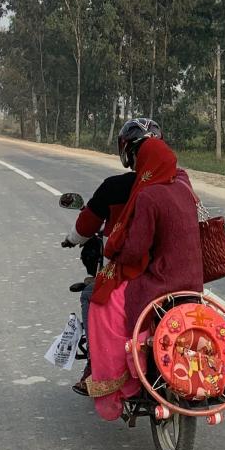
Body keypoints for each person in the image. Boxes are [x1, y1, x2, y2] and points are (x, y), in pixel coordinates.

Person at [85, 130, 204, 422]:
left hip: (160, 281)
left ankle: (119, 380)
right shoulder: (185, 188)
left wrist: (117, 250)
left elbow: (134, 251)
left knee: (103, 305)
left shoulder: (149, 195)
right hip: (193, 281)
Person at [60, 117, 158, 395]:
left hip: (127, 272)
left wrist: (71, 240)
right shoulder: (176, 184)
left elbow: (85, 227)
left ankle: (95, 367)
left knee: (91, 295)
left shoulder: (114, 187)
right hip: (169, 273)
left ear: (127, 152)